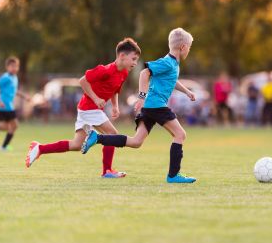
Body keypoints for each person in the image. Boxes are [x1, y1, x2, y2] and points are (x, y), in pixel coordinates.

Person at [81, 28, 197, 184]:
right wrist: (141, 97)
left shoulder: (172, 65)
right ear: (183, 47)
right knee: (180, 135)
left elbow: (171, 80)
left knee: (136, 142)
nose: (189, 49)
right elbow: (144, 73)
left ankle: (98, 138)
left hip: (151, 107)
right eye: (189, 46)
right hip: (156, 106)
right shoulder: (168, 62)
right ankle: (173, 175)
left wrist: (187, 92)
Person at [25, 38, 141, 178]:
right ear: (122, 56)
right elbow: (83, 81)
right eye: (133, 59)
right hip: (89, 108)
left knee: (76, 144)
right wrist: (96, 98)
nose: (135, 63)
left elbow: (115, 89)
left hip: (88, 109)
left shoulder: (123, 73)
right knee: (112, 135)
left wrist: (115, 106)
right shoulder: (105, 70)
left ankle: (40, 149)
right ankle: (107, 171)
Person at [0, 57, 30, 151]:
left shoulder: (14, 77)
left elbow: (14, 90)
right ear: (7, 67)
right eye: (12, 66)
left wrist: (24, 96)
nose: (14, 68)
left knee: (4, 127)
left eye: (16, 66)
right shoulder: (5, 77)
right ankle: (4, 147)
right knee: (15, 125)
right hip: (6, 105)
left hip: (7, 106)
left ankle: (3, 146)